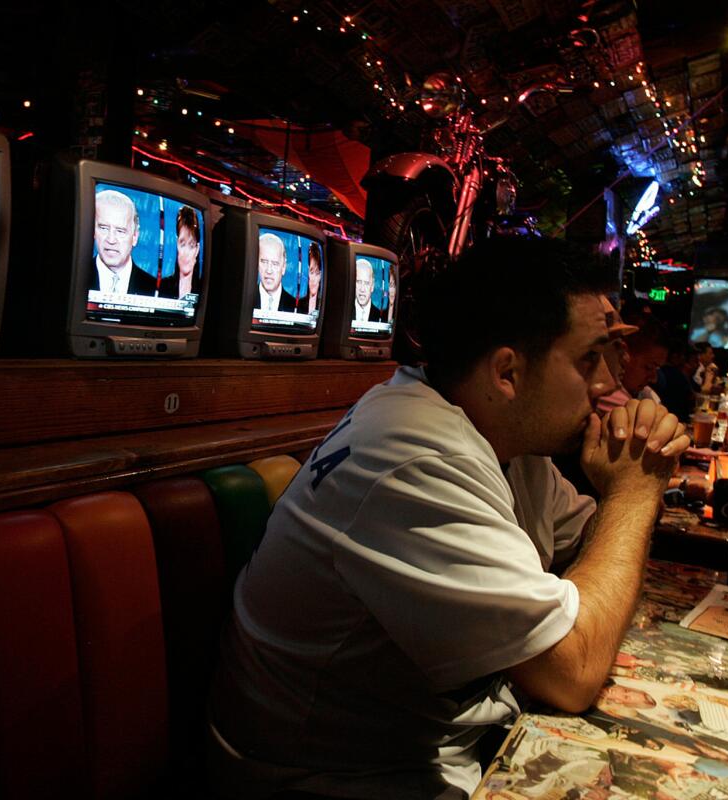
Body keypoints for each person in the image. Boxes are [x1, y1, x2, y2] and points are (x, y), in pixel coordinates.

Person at [208, 236, 689, 800]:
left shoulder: (504, 436)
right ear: (507, 372)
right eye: (589, 359)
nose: (610, 383)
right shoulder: (416, 457)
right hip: (328, 782)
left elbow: (590, 542)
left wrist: (617, 504)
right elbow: (573, 672)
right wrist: (633, 494)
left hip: (433, 754)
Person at [89, 189, 155, 295]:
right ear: (93, 231)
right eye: (104, 228)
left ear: (135, 237)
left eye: (120, 231)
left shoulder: (154, 289)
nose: (111, 240)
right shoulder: (73, 277)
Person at [159, 205, 202, 300]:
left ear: (197, 250)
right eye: (182, 244)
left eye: (191, 245)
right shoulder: (162, 287)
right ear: (177, 244)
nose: (186, 253)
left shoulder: (203, 290)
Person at [254, 233, 296, 312]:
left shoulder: (295, 307)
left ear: (283, 267)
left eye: (275, 264)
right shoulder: (244, 299)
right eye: (264, 262)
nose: (269, 270)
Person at [305, 243, 322, 314]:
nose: (314, 279)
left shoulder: (323, 306)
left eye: (317, 273)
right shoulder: (298, 303)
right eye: (311, 272)